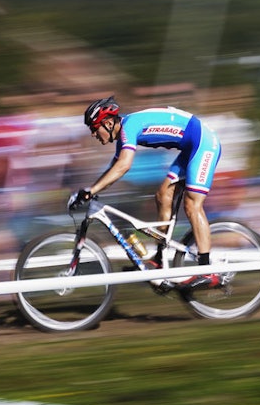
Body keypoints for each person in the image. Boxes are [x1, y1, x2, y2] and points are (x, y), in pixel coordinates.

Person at [70, 95, 223, 290]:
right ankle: (159, 259)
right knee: (162, 195)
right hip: (190, 147)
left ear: (108, 123)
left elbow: (123, 166)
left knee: (192, 204)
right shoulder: (125, 132)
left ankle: (208, 271)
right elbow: (113, 170)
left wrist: (91, 191)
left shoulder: (129, 127)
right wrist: (90, 190)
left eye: (94, 128)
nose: (93, 134)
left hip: (204, 143)